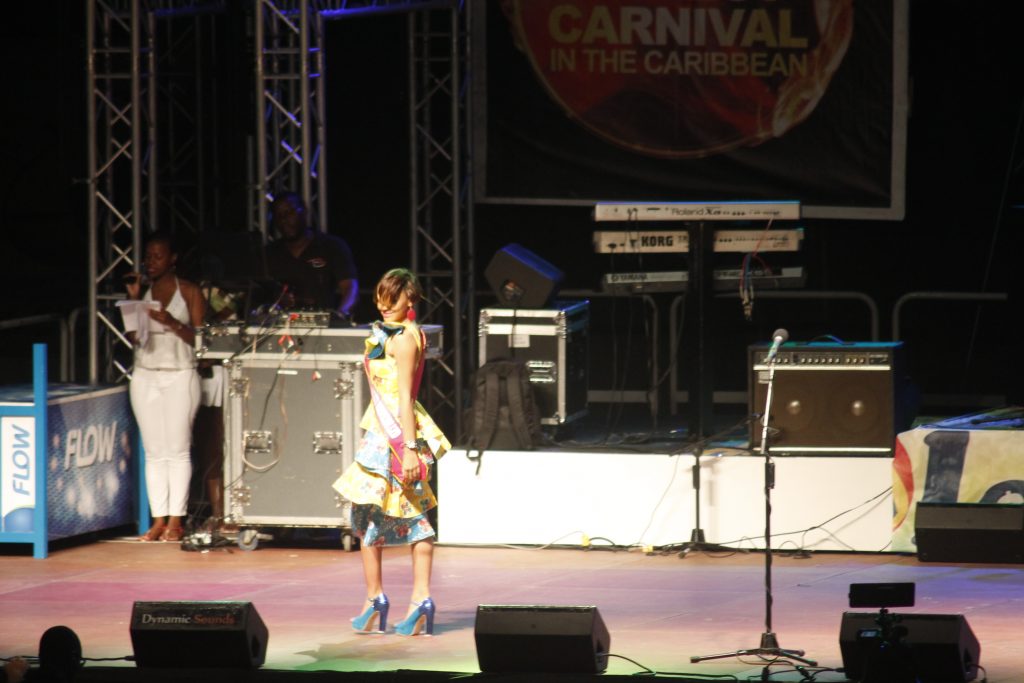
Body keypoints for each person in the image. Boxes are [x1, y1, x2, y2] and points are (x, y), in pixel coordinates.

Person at [333, 268, 450, 636]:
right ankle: (376, 598)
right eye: (380, 299)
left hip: (398, 437)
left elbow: (403, 398)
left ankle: (419, 598)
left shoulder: (405, 340)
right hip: (381, 434)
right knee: (366, 514)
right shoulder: (394, 334)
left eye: (392, 300)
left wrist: (410, 450)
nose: (384, 306)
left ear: (409, 300)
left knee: (415, 515)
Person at [125, 232, 205, 542]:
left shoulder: (189, 291)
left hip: (180, 374)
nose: (151, 262)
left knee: (178, 450)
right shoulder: (143, 292)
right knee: (154, 451)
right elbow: (134, 337)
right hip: (146, 375)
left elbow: (201, 340)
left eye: (158, 256)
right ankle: (158, 519)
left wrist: (173, 323)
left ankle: (176, 521)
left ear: (172, 259)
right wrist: (134, 300)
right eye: (148, 256)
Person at [264, 192, 359, 321]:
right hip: (277, 326)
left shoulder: (331, 246)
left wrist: (341, 315)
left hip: (323, 327)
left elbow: (350, 288)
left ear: (303, 211)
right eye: (279, 215)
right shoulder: (269, 253)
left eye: (289, 212)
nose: (284, 220)